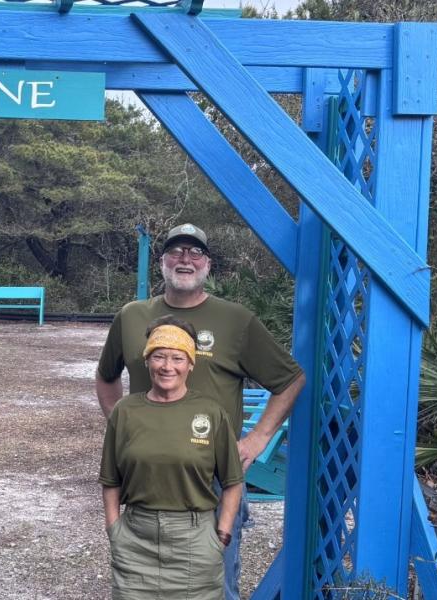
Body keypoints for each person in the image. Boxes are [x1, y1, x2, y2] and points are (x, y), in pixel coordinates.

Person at [96, 223, 307, 599]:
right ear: (162, 261)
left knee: (216, 587)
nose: (185, 259)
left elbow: (290, 380)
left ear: (207, 264)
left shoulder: (236, 320)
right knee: (139, 587)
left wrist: (257, 439)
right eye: (176, 251)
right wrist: (120, 428)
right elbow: (106, 376)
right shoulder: (130, 317)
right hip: (145, 481)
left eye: (195, 253)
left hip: (211, 481)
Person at [100, 316, 244, 599]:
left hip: (196, 540)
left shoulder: (211, 413)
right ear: (147, 361)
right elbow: (110, 479)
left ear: (190, 363)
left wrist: (222, 536)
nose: (168, 366)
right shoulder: (125, 411)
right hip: (136, 538)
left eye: (178, 358)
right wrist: (114, 530)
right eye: (159, 357)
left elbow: (232, 481)